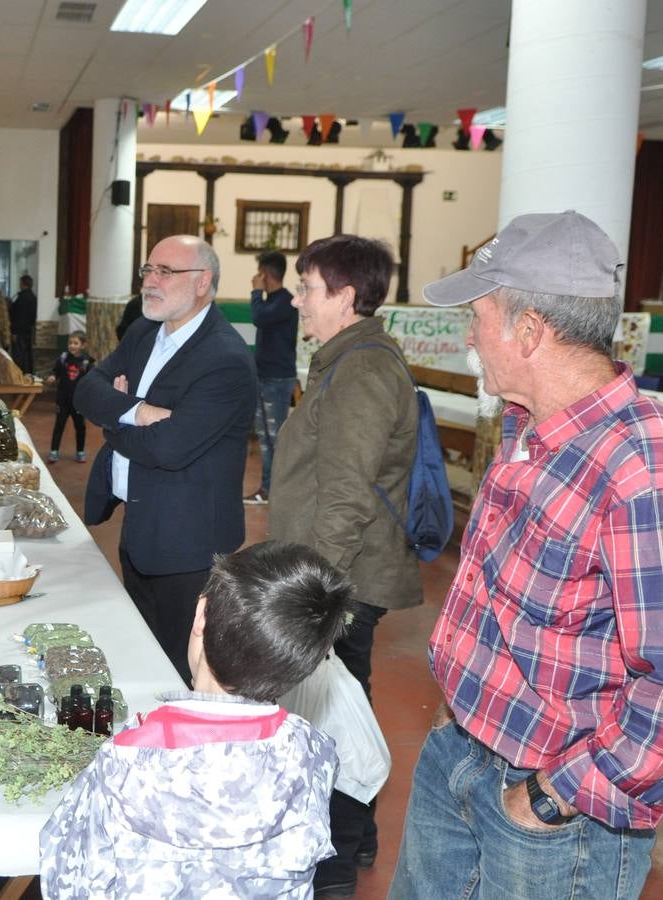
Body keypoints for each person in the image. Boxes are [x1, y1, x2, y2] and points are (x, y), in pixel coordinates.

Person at [390, 211, 663, 900]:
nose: (468, 337)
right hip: (458, 747)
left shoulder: (636, 470)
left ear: (530, 330)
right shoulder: (524, 428)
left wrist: (552, 796)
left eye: (477, 317)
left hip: (550, 810)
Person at [39, 541, 355, 899]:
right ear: (304, 662)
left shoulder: (126, 759)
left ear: (201, 615)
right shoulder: (314, 753)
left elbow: (67, 881)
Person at [266, 234, 423, 897]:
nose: (297, 299)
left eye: (307, 287)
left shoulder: (360, 371)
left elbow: (346, 496)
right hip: (340, 574)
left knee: (329, 725)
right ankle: (354, 844)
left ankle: (331, 865)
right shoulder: (346, 360)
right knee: (339, 711)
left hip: (342, 580)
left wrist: (312, 596)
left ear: (344, 295)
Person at [75, 235, 257, 685]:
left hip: (187, 544)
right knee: (140, 653)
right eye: (148, 271)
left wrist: (114, 418)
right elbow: (84, 390)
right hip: (141, 527)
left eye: (166, 272)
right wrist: (137, 412)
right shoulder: (143, 332)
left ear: (203, 283)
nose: (150, 282)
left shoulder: (225, 360)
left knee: (179, 668)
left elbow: (167, 448)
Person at [244, 249, 298, 504]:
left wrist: (255, 291)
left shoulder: (284, 301)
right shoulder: (273, 300)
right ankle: (268, 489)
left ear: (266, 274)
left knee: (274, 440)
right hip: (265, 377)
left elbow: (258, 318)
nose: (256, 278)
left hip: (277, 380)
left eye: (259, 274)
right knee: (266, 439)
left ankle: (274, 491)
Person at [45, 331, 94, 463]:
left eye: (75, 343)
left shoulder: (87, 362)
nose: (72, 345)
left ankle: (80, 451)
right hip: (63, 399)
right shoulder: (63, 358)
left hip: (78, 402)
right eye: (70, 343)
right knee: (59, 425)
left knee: (80, 427)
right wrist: (53, 376)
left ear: (83, 345)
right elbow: (56, 371)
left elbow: (91, 379)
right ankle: (54, 451)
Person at [10, 274, 38, 374]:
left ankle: (20, 375)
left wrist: (14, 332)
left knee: (19, 355)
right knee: (27, 354)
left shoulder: (22, 298)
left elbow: (19, 317)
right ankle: (28, 375)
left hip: (20, 332)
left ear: (22, 284)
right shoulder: (33, 297)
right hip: (28, 331)